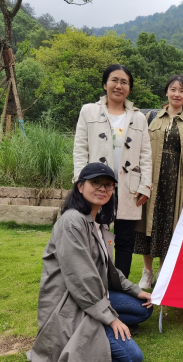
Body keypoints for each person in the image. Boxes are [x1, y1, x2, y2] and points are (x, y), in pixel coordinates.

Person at [27, 163, 154, 362]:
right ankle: (91, 336)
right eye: (95, 183)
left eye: (108, 185)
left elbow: (109, 270)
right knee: (131, 359)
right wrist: (111, 318)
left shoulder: (97, 224)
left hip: (92, 297)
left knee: (143, 309)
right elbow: (82, 278)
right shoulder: (72, 222)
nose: (102, 189)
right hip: (71, 303)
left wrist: (136, 291)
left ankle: (100, 326)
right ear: (80, 186)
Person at [73, 64, 152, 279]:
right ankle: (95, 282)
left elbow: (145, 154)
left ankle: (121, 284)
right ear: (105, 84)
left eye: (124, 82)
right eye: (114, 80)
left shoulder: (139, 117)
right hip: (96, 184)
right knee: (95, 234)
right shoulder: (89, 111)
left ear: (129, 88)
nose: (119, 86)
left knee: (125, 239)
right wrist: (80, 181)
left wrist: (145, 185)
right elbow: (80, 149)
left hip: (129, 186)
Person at [135, 75, 183, 289]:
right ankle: (147, 272)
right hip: (151, 180)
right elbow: (139, 149)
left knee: (169, 226)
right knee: (147, 224)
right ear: (166, 92)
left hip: (175, 182)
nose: (177, 94)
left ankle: (164, 273)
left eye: (182, 91)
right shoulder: (151, 117)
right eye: (173, 89)